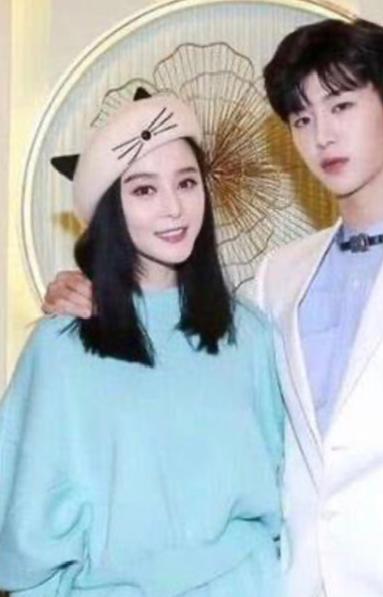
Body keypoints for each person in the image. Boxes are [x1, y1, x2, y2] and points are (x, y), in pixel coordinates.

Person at [42, 17, 383, 597]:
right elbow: (193, 364)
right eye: (302, 118)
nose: (322, 135)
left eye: (341, 106)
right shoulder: (279, 273)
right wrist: (91, 289)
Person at [0, 93, 283, 596]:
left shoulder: (251, 333)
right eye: (144, 189)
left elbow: (291, 494)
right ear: (110, 209)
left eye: (187, 182)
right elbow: (25, 531)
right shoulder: (60, 348)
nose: (173, 208)